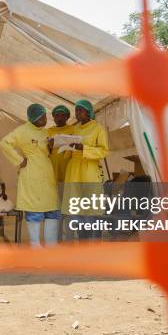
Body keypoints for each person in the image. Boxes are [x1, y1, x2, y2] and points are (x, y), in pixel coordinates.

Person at [0, 103, 59, 247]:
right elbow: (4, 143)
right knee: (34, 212)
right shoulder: (22, 130)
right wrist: (19, 160)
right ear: (34, 117)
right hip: (31, 174)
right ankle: (35, 246)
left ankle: (51, 245)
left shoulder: (45, 132)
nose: (46, 119)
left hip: (47, 173)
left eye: (46, 115)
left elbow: (45, 152)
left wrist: (51, 148)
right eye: (43, 116)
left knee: (52, 210)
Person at [62, 99, 109, 241]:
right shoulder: (75, 129)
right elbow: (68, 155)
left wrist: (84, 148)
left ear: (88, 112)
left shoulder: (98, 128)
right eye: (76, 111)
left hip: (90, 173)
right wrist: (65, 145)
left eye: (80, 110)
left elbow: (103, 151)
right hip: (74, 172)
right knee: (77, 212)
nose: (77, 113)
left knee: (90, 211)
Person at [47, 105, 74, 183]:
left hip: (68, 165)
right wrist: (49, 145)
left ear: (67, 117)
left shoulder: (73, 129)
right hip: (53, 166)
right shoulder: (49, 131)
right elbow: (46, 150)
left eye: (62, 115)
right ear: (54, 118)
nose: (59, 118)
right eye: (57, 115)